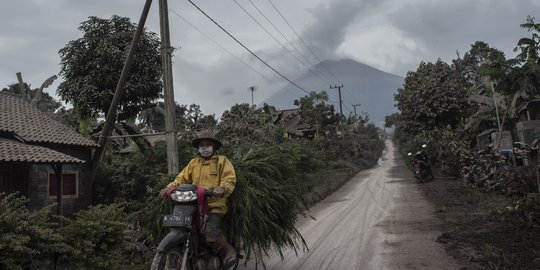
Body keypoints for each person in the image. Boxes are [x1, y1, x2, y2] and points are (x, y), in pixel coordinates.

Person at [159, 130, 237, 269]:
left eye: (208, 144)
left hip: (214, 205)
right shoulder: (193, 163)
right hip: (193, 204)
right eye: (202, 144)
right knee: (182, 226)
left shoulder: (222, 161)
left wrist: (222, 188)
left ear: (214, 146)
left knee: (210, 230)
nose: (205, 147)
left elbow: (229, 179)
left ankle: (227, 250)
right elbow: (181, 178)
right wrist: (168, 187)